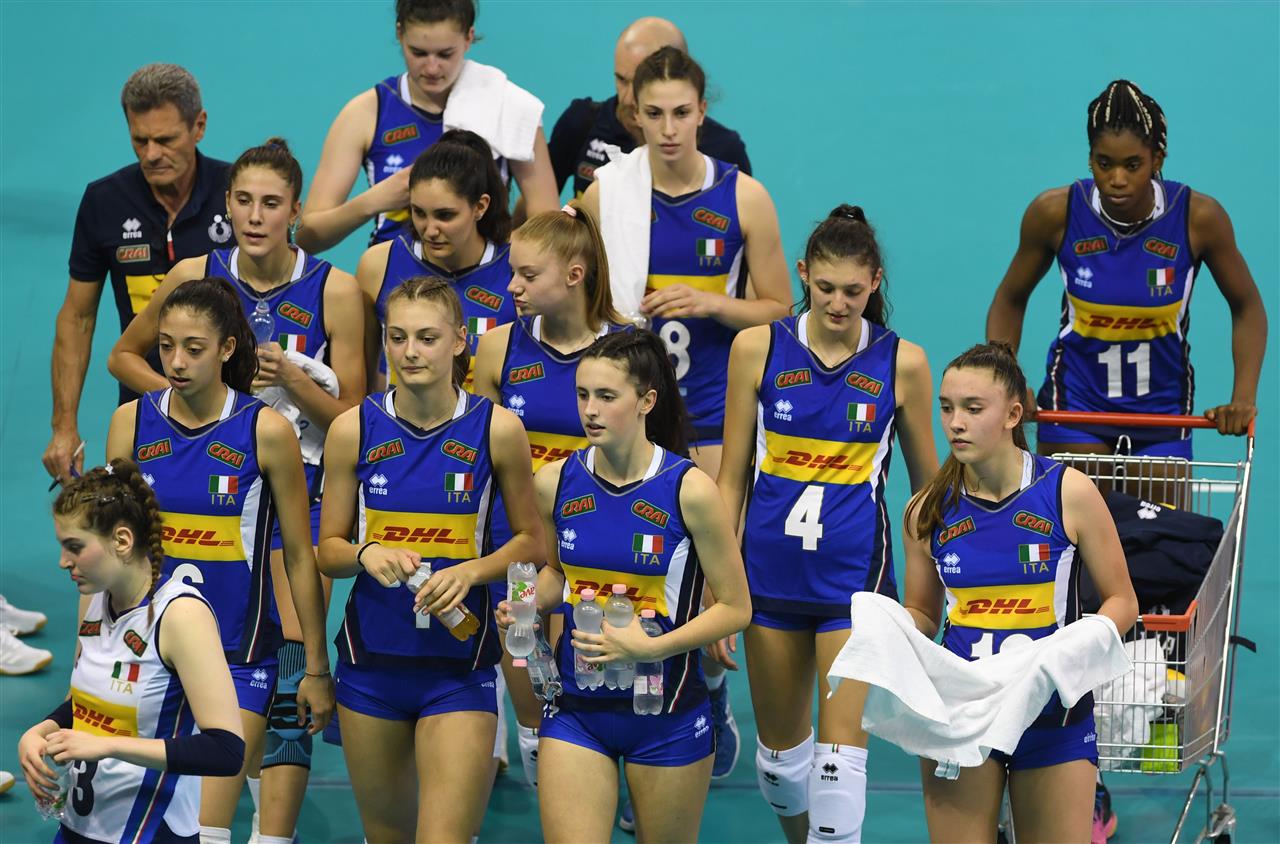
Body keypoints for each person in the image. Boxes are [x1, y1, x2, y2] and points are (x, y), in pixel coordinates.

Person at [107, 138, 364, 842]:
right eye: (243, 201)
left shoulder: (335, 291)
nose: (255, 216)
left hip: (299, 493)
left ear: (295, 210)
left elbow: (356, 423)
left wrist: (292, 385)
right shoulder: (193, 276)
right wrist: (198, 412)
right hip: (208, 482)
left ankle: (272, 832)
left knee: (286, 665)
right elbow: (123, 355)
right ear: (226, 205)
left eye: (271, 203)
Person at [583, 48, 790, 778]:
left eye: (681, 113)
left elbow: (779, 307)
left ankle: (705, 689)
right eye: (654, 114)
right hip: (629, 415)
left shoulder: (743, 198)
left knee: (705, 566)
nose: (668, 129)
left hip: (708, 414)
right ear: (632, 114)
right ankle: (615, 720)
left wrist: (711, 303)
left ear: (703, 112)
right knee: (629, 565)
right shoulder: (607, 195)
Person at [718, 206, 939, 843]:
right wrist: (718, 587)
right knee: (781, 767)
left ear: (875, 282)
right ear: (802, 275)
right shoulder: (756, 348)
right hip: (768, 582)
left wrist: (931, 600)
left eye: (852, 291)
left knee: (839, 773)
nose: (838, 303)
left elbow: (927, 496)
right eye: (825, 288)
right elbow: (730, 480)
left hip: (854, 589)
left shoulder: (903, 364)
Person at [104, 278, 334, 844]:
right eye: (165, 347)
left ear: (228, 348)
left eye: (194, 348)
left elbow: (299, 557)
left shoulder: (267, 431)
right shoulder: (131, 423)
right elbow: (111, 553)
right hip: (147, 657)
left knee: (204, 830)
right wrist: (92, 648)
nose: (176, 362)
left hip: (237, 656)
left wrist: (316, 667)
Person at [498, 330, 751, 843]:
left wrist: (650, 646)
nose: (590, 410)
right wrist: (522, 604)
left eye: (607, 396)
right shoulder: (554, 482)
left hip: (667, 711)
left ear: (646, 401)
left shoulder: (690, 490)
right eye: (583, 394)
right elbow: (556, 574)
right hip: (576, 707)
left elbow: (735, 607)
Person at [317, 277, 543, 843]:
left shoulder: (497, 429)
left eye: (426, 337)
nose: (410, 352)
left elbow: (531, 543)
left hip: (459, 669)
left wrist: (472, 571)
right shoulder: (352, 429)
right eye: (397, 338)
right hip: (370, 666)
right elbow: (329, 552)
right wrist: (366, 552)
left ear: (460, 341)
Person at [901, 342, 1138, 843]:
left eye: (973, 409)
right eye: (947, 408)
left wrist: (1077, 646)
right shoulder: (928, 509)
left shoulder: (1068, 492)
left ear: (1012, 415)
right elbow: (921, 610)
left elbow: (1123, 601)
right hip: (962, 715)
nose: (955, 424)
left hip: (1053, 716)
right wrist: (894, 632)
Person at [987, 79, 1267, 458]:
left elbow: (1247, 307)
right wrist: (1007, 378)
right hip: (1074, 409)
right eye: (1104, 164)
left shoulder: (1198, 219)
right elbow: (1010, 298)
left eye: (1133, 165)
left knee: (1160, 501)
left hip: (1162, 413)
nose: (1117, 180)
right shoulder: (1054, 213)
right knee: (1077, 499)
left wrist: (1243, 398)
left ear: (1157, 160)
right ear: (1090, 159)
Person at [472, 201, 626, 788]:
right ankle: (553, 809)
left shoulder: (629, 350)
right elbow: (478, 455)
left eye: (527, 275)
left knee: (595, 695)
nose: (512, 286)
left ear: (574, 275)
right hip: (519, 556)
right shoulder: (499, 348)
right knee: (536, 704)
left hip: (597, 557)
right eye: (511, 271)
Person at [19, 459, 246, 843]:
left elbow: (225, 750)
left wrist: (107, 745)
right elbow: (84, 702)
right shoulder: (93, 599)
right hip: (78, 827)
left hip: (152, 832)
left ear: (122, 541)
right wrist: (42, 729)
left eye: (74, 547)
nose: (63, 562)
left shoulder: (181, 616)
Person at [45, 63, 235, 485]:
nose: (151, 154)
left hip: (231, 416)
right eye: (140, 140)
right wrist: (64, 426)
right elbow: (78, 317)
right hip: (143, 415)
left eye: (165, 140)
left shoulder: (237, 194)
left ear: (199, 126)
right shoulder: (104, 202)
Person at [298, 0, 558, 252]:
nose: (432, 68)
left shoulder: (510, 107)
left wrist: (496, 257)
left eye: (445, 54)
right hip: (394, 275)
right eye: (419, 53)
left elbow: (550, 230)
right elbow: (306, 238)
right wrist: (375, 200)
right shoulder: (366, 113)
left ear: (469, 37)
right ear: (399, 34)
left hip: (485, 276)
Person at [357, 129, 516, 390]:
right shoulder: (378, 265)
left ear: (480, 206)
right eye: (419, 212)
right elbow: (362, 379)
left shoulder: (515, 269)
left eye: (445, 215)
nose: (430, 230)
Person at [547, 17, 751, 199]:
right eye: (621, 79)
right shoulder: (582, 124)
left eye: (639, 82)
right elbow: (538, 211)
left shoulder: (724, 150)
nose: (628, 99)